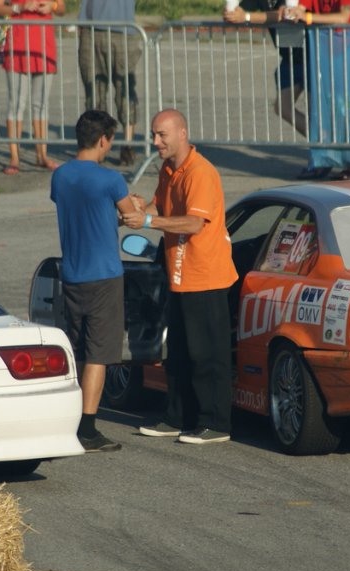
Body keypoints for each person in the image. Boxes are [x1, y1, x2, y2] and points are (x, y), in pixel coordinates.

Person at [122, 109, 238, 445]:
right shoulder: (170, 170)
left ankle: (215, 423)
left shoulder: (200, 173)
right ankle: (177, 417)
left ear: (182, 133)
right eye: (154, 135)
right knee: (180, 354)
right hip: (179, 276)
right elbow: (161, 208)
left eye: (161, 135)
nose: (155, 142)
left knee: (207, 355)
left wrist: (146, 223)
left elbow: (192, 223)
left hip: (206, 276)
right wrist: (135, 211)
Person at [51, 110, 138, 452]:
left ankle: (70, 419)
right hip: (104, 276)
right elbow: (130, 216)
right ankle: (87, 428)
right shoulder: (111, 180)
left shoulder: (60, 177)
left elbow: (86, 216)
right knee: (99, 354)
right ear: (103, 140)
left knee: (78, 351)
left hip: (72, 274)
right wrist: (135, 208)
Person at [285, 0, 350, 181]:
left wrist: (308, 17)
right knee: (333, 109)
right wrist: (292, 11)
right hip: (331, 51)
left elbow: (343, 17)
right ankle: (331, 160)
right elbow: (302, 8)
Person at [0, 0, 66, 175]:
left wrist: (52, 6)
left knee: (41, 104)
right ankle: (14, 158)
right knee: (16, 104)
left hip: (44, 48)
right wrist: (19, 8)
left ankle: (42, 155)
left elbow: (62, 8)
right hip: (17, 46)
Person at [223, 1, 308, 137]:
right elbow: (239, 11)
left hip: (309, 53)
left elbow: (284, 14)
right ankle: (323, 141)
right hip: (290, 57)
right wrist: (230, 12)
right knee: (283, 107)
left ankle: (328, 145)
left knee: (317, 110)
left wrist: (247, 17)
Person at [77, 0, 143, 166]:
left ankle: (128, 144)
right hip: (90, 28)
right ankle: (97, 143)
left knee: (125, 90)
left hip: (123, 30)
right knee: (94, 93)